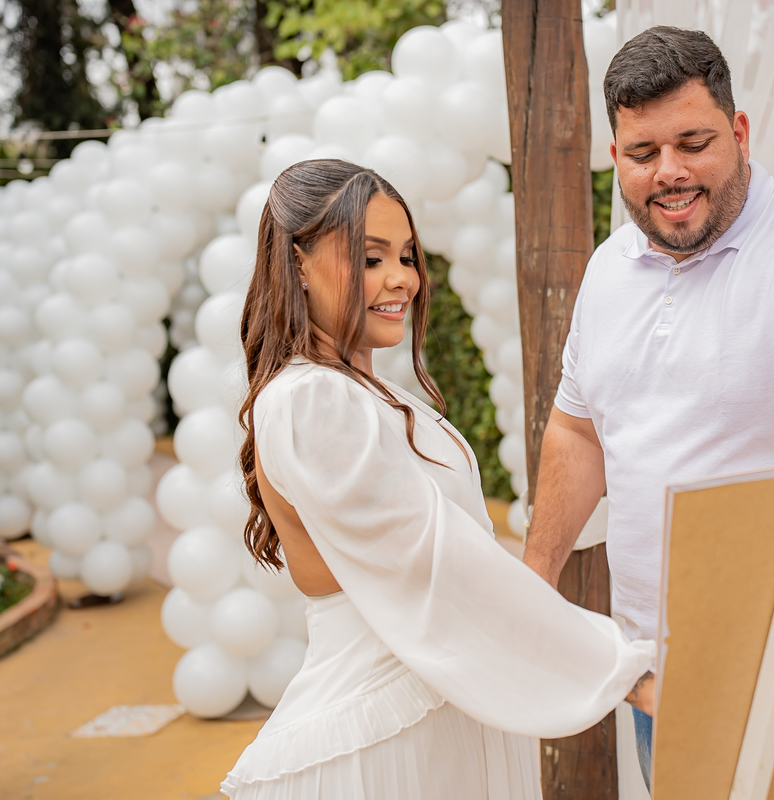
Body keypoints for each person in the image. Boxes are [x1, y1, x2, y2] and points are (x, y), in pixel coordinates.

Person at [521, 26, 774, 787]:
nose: (668, 172)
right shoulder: (608, 269)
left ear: (739, 133)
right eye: (643, 153)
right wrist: (534, 578)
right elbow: (579, 433)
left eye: (693, 143)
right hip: (657, 671)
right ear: (617, 156)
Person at [221, 159, 655, 800]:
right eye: (370, 258)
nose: (402, 278)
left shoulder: (368, 395)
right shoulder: (312, 400)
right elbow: (435, 562)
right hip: (382, 739)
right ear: (297, 264)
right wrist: (624, 672)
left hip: (439, 701)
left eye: (407, 256)